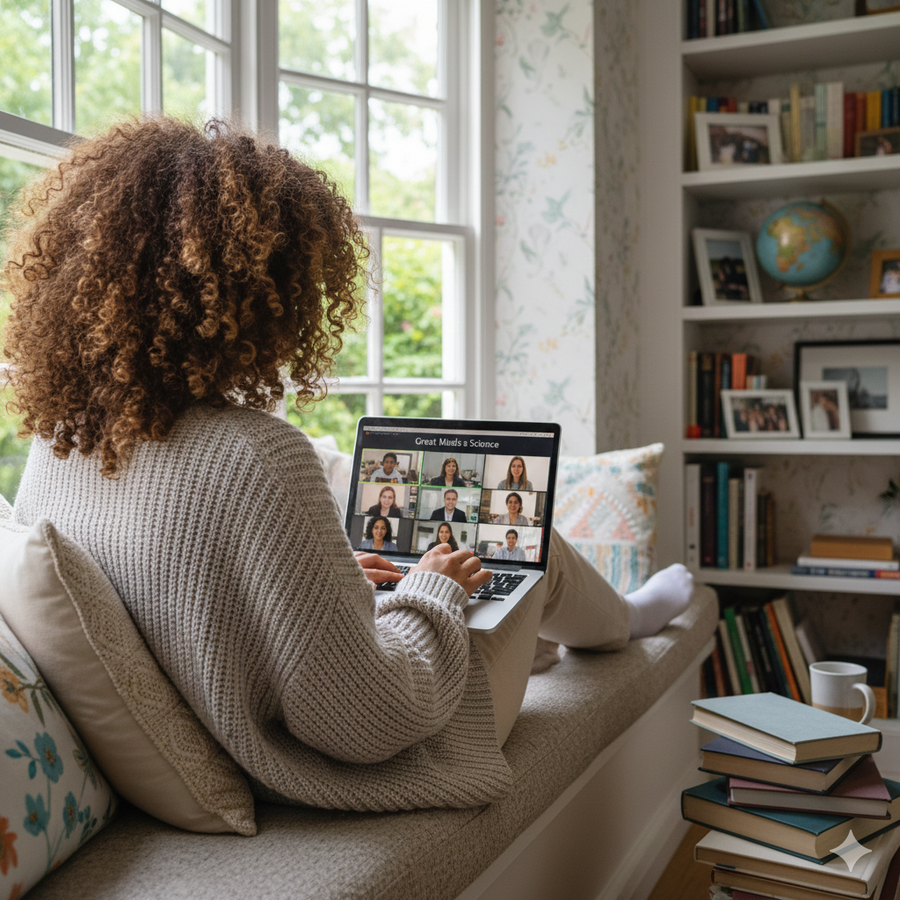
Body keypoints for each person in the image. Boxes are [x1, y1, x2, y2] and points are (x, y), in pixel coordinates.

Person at [4, 115, 694, 814]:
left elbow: (193, 606)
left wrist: (334, 597)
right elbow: (375, 719)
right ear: (269, 296)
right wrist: (426, 594)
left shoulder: (60, 444)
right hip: (317, 766)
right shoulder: (259, 455)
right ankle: (622, 620)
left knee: (433, 574)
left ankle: (559, 631)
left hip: (237, 724)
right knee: (530, 551)